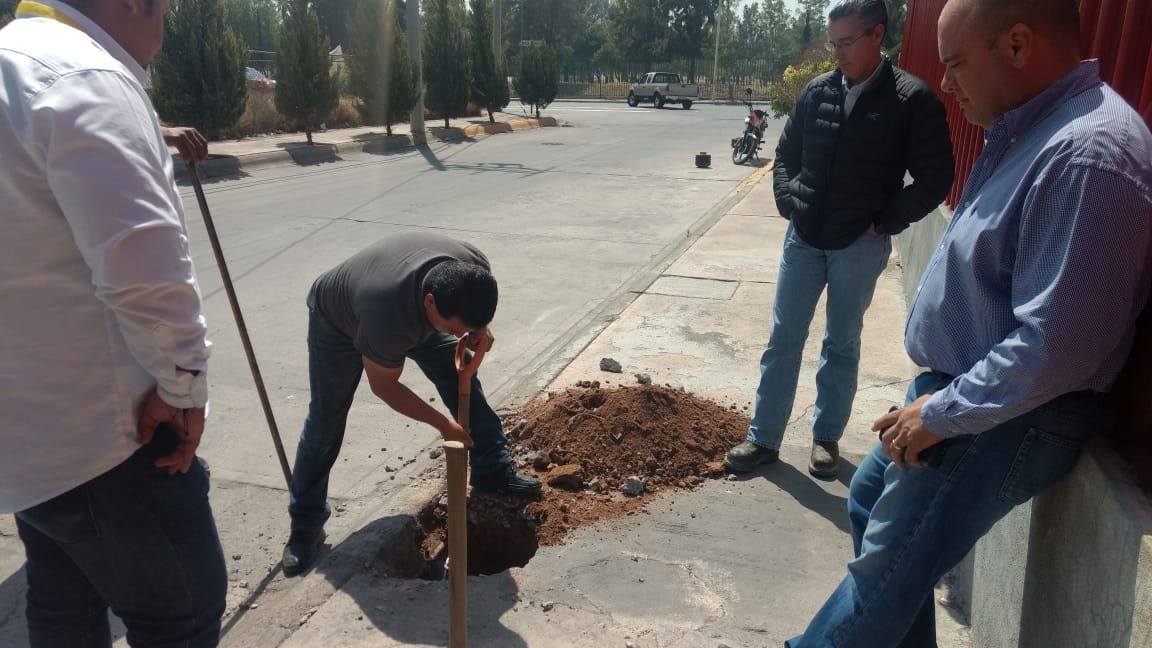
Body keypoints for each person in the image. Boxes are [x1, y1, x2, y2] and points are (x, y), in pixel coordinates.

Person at [788, 0, 1152, 645]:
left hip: (1006, 416)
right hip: (963, 395)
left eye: (954, 63)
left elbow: (1057, 346)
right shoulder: (1032, 127)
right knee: (871, 503)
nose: (946, 84)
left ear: (1016, 45)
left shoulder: (1087, 154)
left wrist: (939, 415)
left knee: (885, 574)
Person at [0, 0, 227, 645]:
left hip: (27, 450)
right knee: (181, 612)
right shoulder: (83, 75)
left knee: (62, 605)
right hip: (105, 445)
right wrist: (183, 390)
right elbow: (146, 269)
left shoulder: (13, 63)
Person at [725, 0, 955, 479]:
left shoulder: (911, 100)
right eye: (833, 44)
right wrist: (790, 200)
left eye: (846, 43)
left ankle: (825, 439)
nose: (838, 54)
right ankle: (764, 437)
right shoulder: (817, 91)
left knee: (841, 342)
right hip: (805, 238)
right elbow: (786, 154)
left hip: (858, 244)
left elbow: (937, 178)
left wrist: (886, 220)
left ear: (877, 35)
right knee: (783, 339)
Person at [282, 232, 542, 575]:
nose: (464, 333)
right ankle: (305, 528)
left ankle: (492, 468)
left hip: (411, 306)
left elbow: (465, 320)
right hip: (338, 322)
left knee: (459, 377)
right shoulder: (386, 317)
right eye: (459, 327)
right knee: (326, 420)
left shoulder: (472, 269)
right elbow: (385, 386)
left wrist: (478, 331)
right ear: (432, 304)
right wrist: (442, 424)